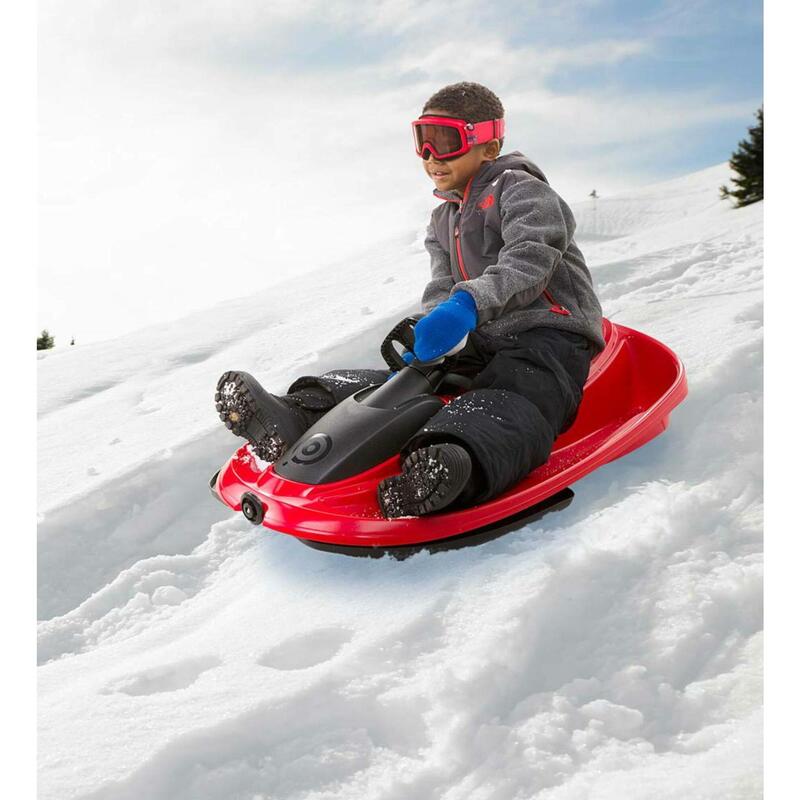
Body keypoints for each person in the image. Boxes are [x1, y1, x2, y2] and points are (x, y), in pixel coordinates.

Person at [215, 81, 604, 518]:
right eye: (423, 142)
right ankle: (296, 419)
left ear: (490, 145)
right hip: (479, 336)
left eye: (446, 142)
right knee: (403, 383)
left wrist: (467, 304)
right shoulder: (443, 217)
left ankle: (451, 463)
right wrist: (435, 320)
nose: (432, 157)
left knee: (515, 395)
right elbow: (441, 284)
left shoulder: (522, 190)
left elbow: (530, 260)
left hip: (547, 335)